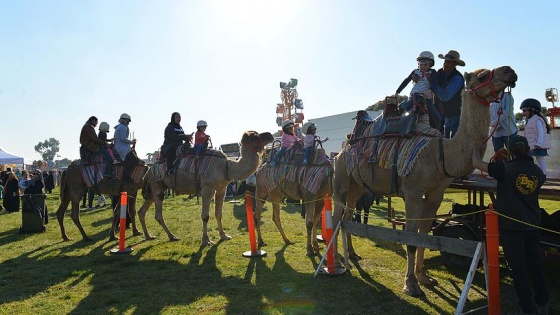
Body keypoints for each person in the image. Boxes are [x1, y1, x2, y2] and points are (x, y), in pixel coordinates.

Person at [472, 135, 549, 315]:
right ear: (528, 150)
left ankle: (527, 308)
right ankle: (543, 302)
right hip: (532, 226)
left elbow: (476, 163)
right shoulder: (538, 172)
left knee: (518, 269)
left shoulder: (504, 169)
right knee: (535, 265)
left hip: (511, 227)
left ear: (511, 152)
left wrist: (475, 146)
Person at [396, 51, 441, 129]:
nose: (422, 66)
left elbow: (435, 83)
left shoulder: (433, 72)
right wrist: (398, 91)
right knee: (416, 98)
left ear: (430, 64)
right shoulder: (415, 72)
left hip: (427, 98)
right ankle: (402, 108)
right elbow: (406, 80)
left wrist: (430, 90)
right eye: (420, 64)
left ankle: (438, 133)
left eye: (425, 64)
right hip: (415, 95)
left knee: (438, 118)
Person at [430, 50, 466, 138]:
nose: (446, 64)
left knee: (452, 142)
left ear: (455, 64)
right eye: (445, 61)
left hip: (453, 115)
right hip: (442, 114)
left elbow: (445, 96)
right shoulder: (439, 73)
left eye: (449, 62)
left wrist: (432, 84)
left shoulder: (457, 78)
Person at [521, 98, 552, 176]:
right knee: (529, 159)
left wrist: (539, 143)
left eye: (525, 110)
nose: (523, 113)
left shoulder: (537, 120)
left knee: (540, 159)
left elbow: (541, 133)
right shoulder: (529, 120)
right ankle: (532, 173)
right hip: (531, 145)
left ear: (532, 110)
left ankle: (543, 174)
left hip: (537, 145)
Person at [114, 113, 138, 179]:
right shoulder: (123, 127)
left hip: (120, 147)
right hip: (122, 148)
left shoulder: (119, 127)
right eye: (128, 121)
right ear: (125, 120)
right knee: (134, 159)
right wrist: (131, 142)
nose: (128, 123)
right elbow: (123, 138)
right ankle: (126, 175)